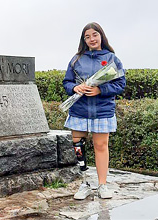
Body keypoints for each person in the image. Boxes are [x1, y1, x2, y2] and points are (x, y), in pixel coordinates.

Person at [62, 22, 126, 200]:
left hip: (102, 110)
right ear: (84, 40)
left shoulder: (112, 58)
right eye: (87, 36)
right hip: (79, 110)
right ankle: (84, 183)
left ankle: (102, 185)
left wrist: (100, 90)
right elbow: (66, 82)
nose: (91, 39)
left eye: (94, 35)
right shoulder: (76, 59)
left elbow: (121, 84)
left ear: (101, 36)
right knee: (78, 146)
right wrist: (75, 88)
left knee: (101, 146)